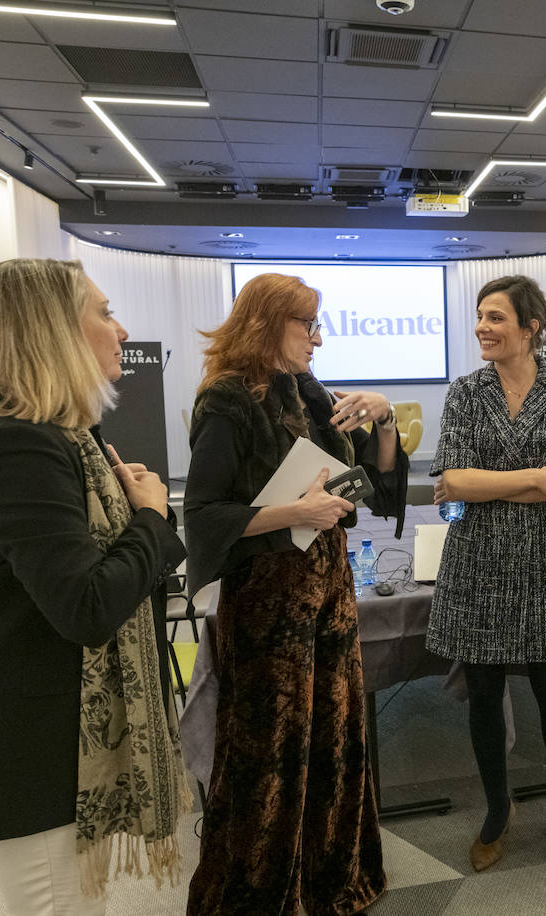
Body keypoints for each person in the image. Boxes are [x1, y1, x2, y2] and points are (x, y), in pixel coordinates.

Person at [0, 258, 192, 915]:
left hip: (45, 724)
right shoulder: (19, 448)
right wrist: (150, 518)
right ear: (51, 332)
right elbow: (87, 607)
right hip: (21, 738)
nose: (121, 330)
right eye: (104, 312)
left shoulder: (61, 439)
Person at [183, 272, 407, 914]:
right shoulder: (226, 402)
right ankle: (261, 893)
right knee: (269, 755)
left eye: (317, 324)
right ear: (265, 324)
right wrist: (293, 514)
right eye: (306, 324)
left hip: (329, 593)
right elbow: (204, 515)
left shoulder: (311, 395)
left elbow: (382, 490)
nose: (317, 337)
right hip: (267, 603)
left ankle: (330, 879)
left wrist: (384, 417)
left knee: (334, 743)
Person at [426, 275, 546, 875]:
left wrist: (492, 481)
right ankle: (498, 810)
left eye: (496, 317)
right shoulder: (465, 392)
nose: (482, 328)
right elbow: (452, 482)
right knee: (484, 696)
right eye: (479, 317)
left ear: (531, 327)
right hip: (477, 560)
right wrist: (533, 480)